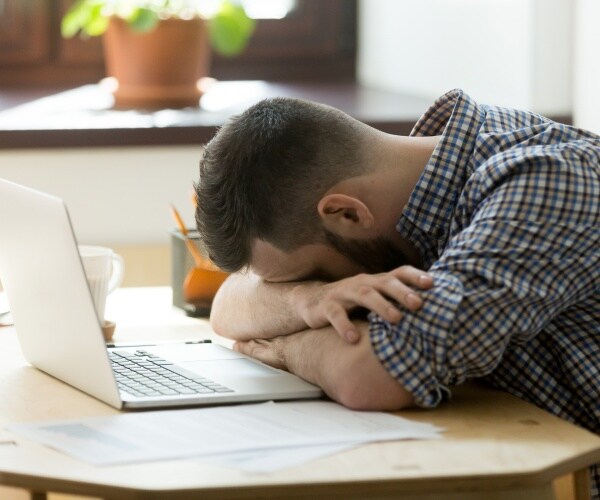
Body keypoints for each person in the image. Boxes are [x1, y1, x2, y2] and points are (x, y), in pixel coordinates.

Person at [195, 89, 599, 497]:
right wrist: (309, 299)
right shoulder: (415, 181)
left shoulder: (542, 182)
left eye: (314, 273)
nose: (331, 291)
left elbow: (371, 376)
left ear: (347, 213)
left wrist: (281, 349)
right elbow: (227, 305)